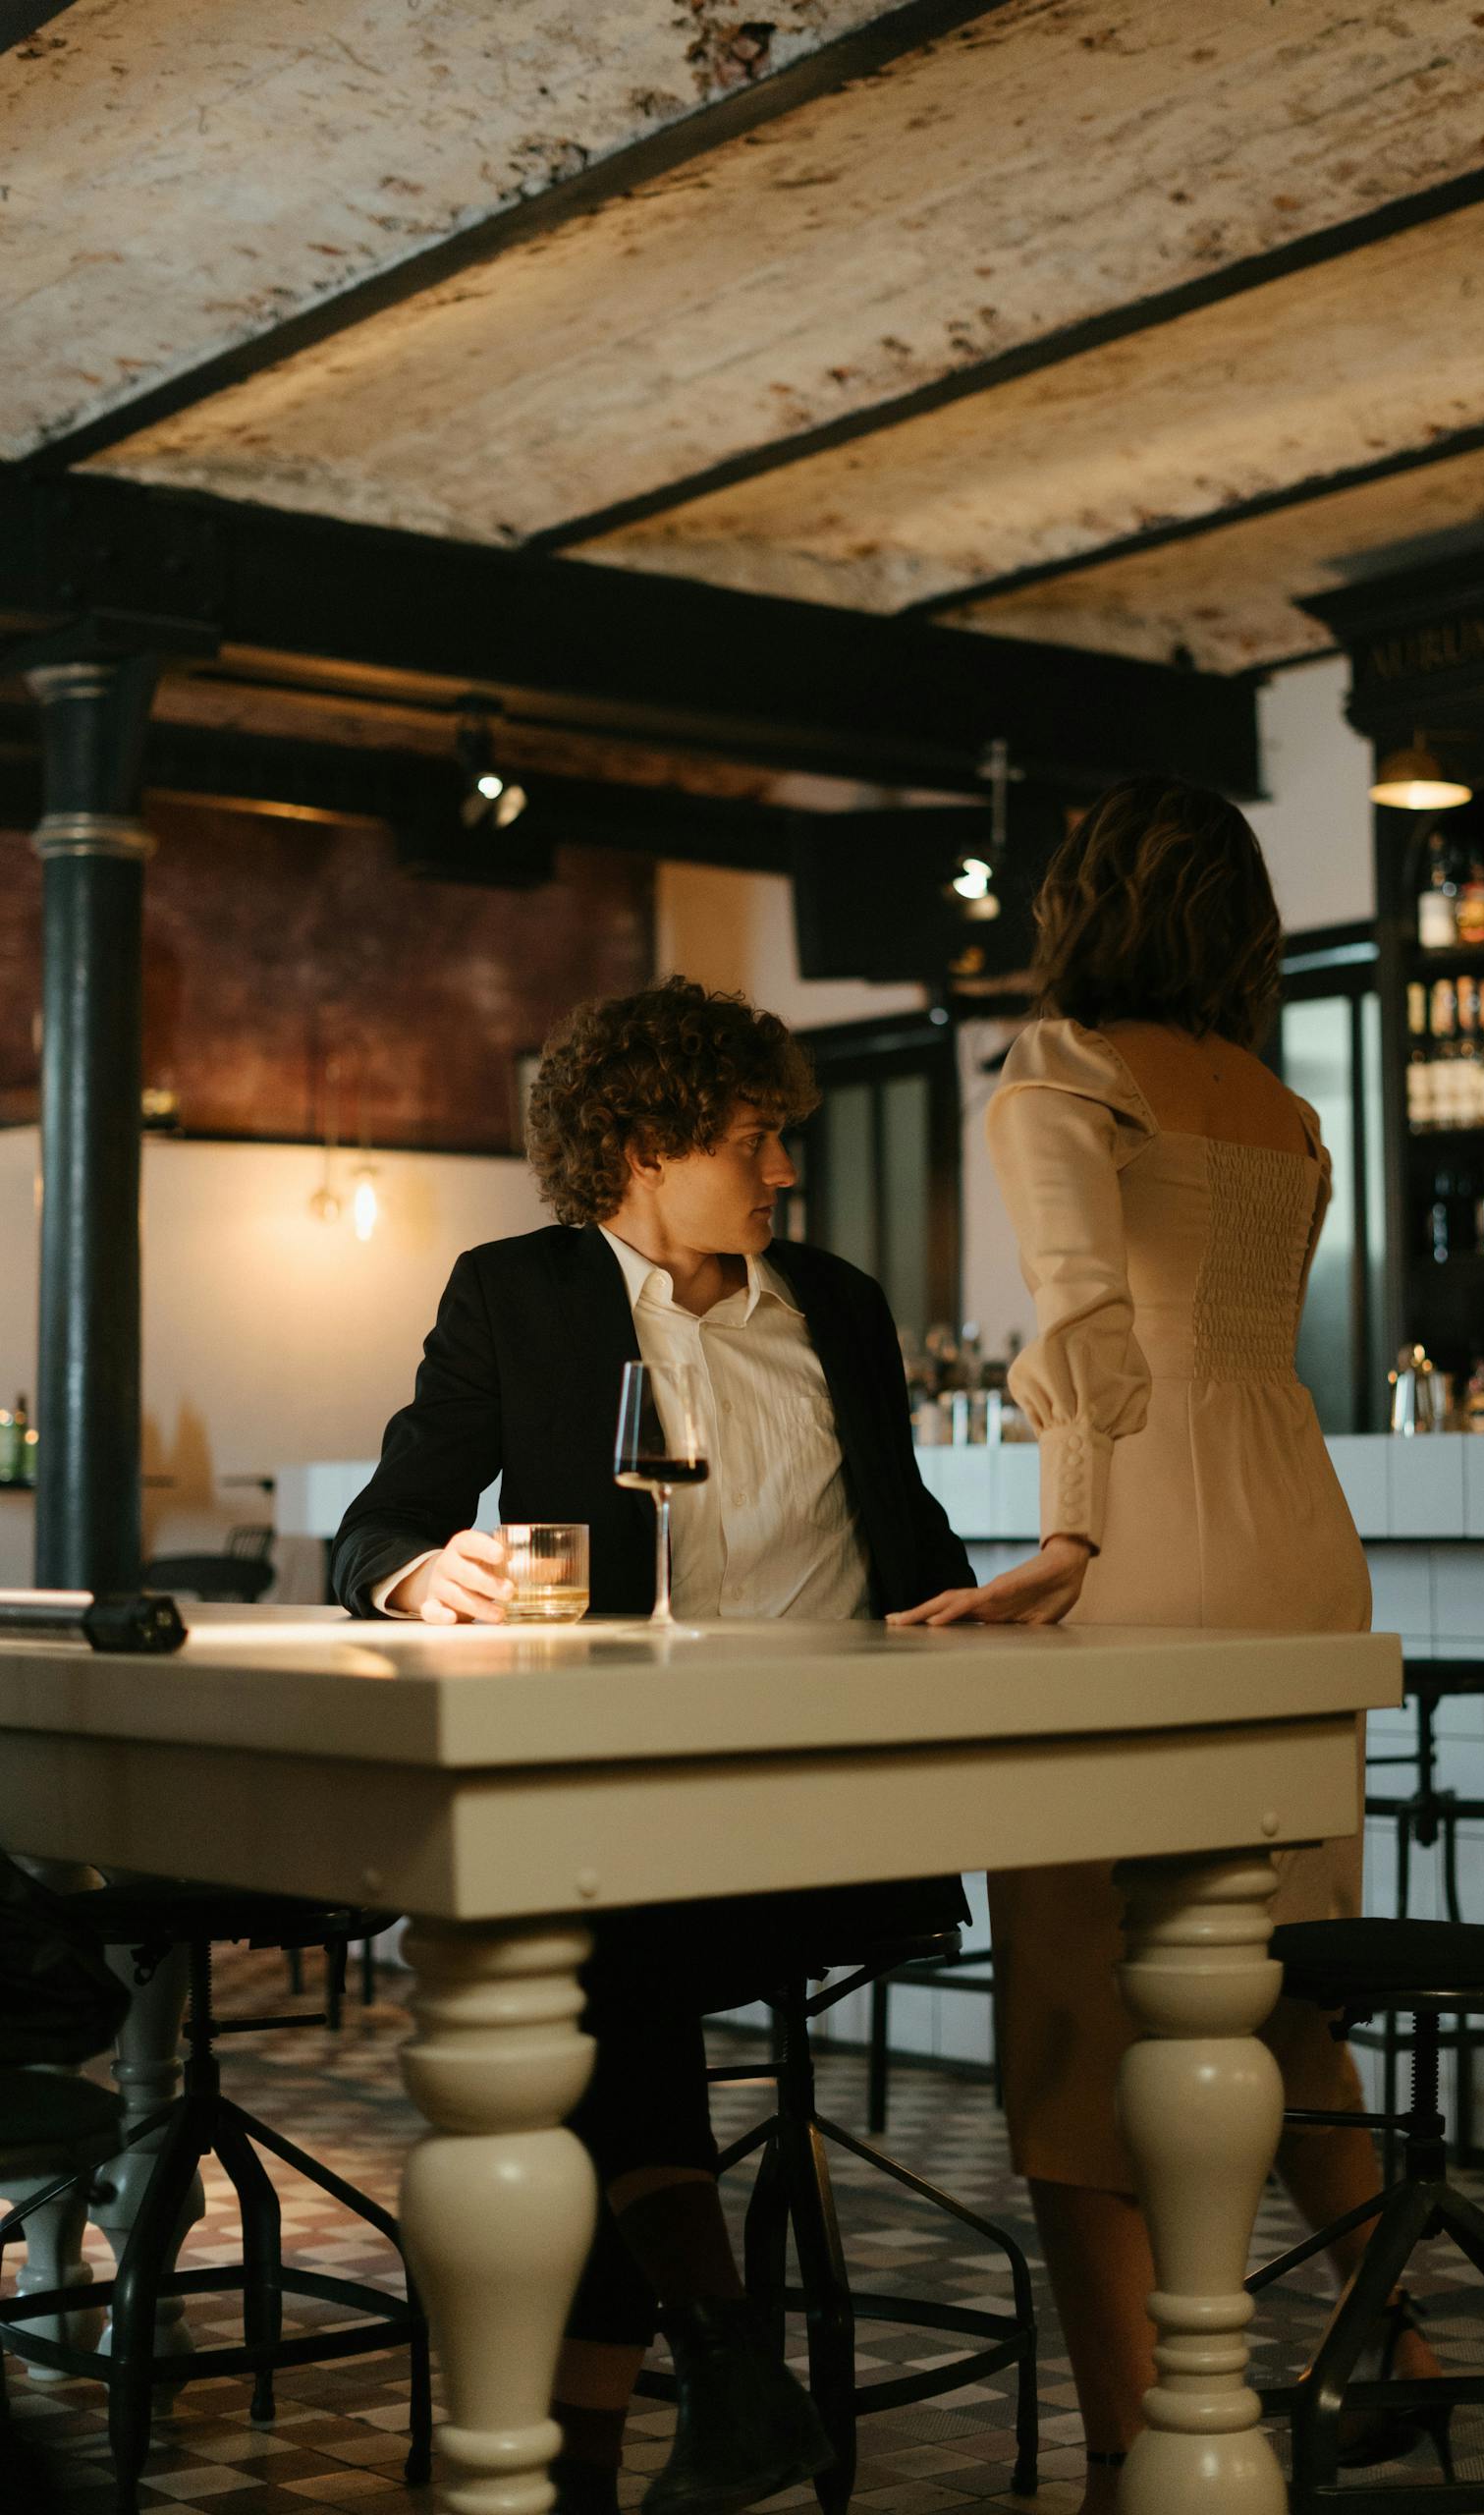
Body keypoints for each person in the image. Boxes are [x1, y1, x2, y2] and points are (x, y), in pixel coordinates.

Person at [334, 976, 972, 2515]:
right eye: (756, 1139)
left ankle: (651, 2425)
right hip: (628, 1787)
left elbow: (912, 1537)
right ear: (639, 1141)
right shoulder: (515, 1293)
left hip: (826, 1796)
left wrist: (975, 1603)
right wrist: (427, 1574)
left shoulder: (836, 1304)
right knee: (598, 1960)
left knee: (579, 1971)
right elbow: (384, 1522)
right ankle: (695, 2401)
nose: (783, 1172)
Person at [891, 779, 1442, 2502]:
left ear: (1083, 902)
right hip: (1299, 1529)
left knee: (1070, 2006)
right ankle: (1388, 2335)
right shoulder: (1282, 1111)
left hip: (1147, 1536)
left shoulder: (1058, 1070)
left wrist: (1065, 1534)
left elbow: (1083, 1313)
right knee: (1263, 1977)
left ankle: (1143, 2427)